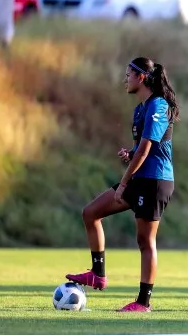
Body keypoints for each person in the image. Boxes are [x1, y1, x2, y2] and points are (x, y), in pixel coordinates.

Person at [66, 57, 179, 312]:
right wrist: (131, 153)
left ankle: (143, 303)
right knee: (91, 212)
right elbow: (141, 150)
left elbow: (147, 150)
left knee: (145, 241)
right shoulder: (140, 109)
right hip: (141, 178)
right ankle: (98, 274)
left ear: (141, 77)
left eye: (128, 74)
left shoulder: (158, 105)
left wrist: (124, 182)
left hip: (156, 180)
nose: (124, 79)